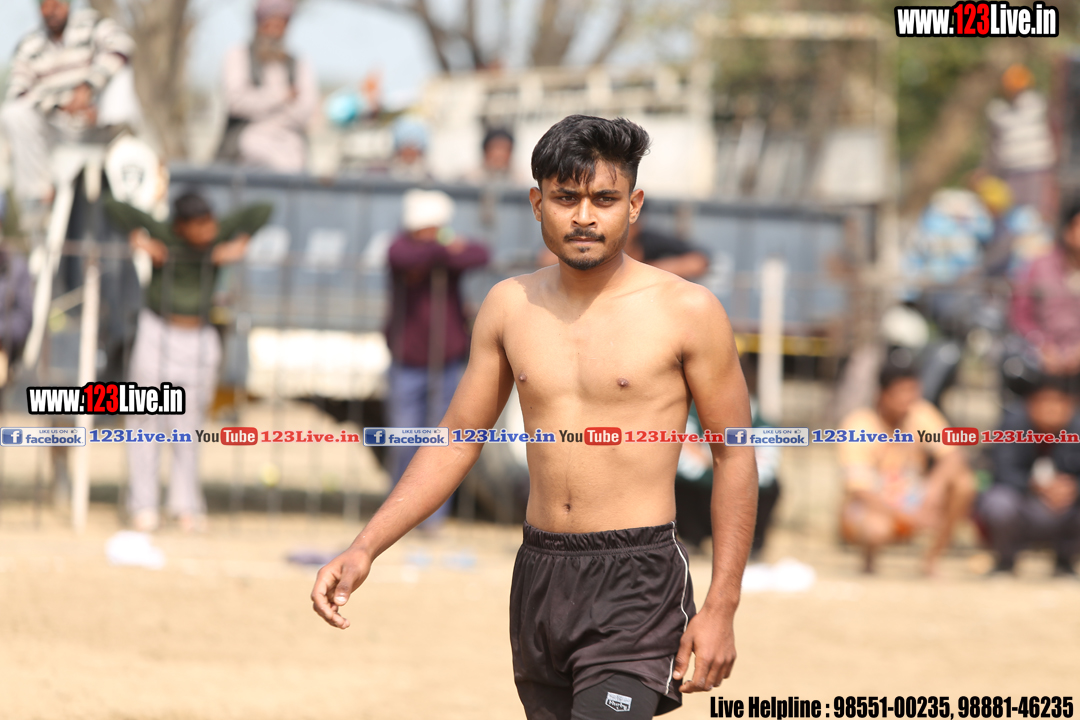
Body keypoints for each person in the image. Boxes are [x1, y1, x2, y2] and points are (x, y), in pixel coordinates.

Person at [313, 115, 758, 719]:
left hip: (637, 579)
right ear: (536, 202)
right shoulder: (509, 305)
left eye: (604, 199)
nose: (584, 216)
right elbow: (456, 441)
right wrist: (365, 547)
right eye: (566, 198)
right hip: (539, 574)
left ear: (634, 205)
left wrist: (722, 605)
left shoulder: (688, 310)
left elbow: (734, 454)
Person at [105, 190, 271, 532]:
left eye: (210, 223)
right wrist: (138, 237)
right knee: (145, 423)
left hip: (198, 337)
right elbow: (113, 206)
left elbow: (263, 208)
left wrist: (239, 243)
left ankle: (185, 506)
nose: (208, 230)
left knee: (188, 425)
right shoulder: (165, 236)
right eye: (199, 225)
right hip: (157, 333)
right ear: (180, 226)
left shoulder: (216, 239)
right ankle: (143, 505)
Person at [383, 189, 489, 531]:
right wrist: (443, 249)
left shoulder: (442, 250)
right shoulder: (402, 248)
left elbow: (480, 254)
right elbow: (404, 258)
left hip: (447, 361)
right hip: (407, 361)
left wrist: (441, 250)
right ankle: (397, 517)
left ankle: (431, 518)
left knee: (442, 442)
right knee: (403, 440)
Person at [838, 363, 976, 575]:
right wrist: (908, 517)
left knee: (964, 483)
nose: (908, 399)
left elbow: (954, 455)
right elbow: (860, 490)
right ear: (882, 395)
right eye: (901, 392)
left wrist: (934, 488)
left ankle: (931, 560)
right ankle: (869, 563)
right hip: (876, 501)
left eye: (912, 391)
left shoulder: (920, 413)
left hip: (913, 496)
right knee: (875, 528)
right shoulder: (858, 424)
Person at [1, 0, 136, 213]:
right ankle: (36, 198)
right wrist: (59, 106)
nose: (51, 12)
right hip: (55, 126)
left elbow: (123, 44)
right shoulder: (30, 44)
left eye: (57, 5)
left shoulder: (91, 25)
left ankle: (122, 132)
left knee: (122, 72)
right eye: (45, 6)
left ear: (68, 5)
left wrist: (89, 87)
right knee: (13, 114)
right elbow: (17, 92)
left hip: (97, 120)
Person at [977, 378, 1080, 577]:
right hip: (1024, 504)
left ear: (1070, 405)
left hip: (1067, 508)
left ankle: (1065, 561)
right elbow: (1001, 471)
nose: (1051, 409)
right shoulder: (1012, 425)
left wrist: (1073, 489)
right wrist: (1035, 486)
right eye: (1044, 401)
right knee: (998, 503)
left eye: (1058, 402)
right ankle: (1005, 561)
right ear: (1030, 404)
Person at [219, 0, 318, 172]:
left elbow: (306, 109)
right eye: (269, 24)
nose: (274, 31)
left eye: (280, 25)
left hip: (290, 141)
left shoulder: (299, 63)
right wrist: (282, 97)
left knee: (293, 161)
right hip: (248, 139)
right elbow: (236, 101)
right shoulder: (239, 54)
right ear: (259, 24)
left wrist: (268, 109)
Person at [538, 204, 710, 280]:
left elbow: (698, 261)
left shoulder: (651, 240)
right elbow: (545, 259)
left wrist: (646, 271)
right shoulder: (588, 239)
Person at [1009, 199, 1080, 381]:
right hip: (1040, 356)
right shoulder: (1040, 265)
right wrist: (1042, 345)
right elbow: (1020, 315)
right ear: (1068, 231)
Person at [985, 64, 1056, 226]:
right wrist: (990, 171)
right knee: (1011, 216)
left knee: (1037, 214)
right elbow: (993, 147)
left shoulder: (1039, 104)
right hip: (1010, 171)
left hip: (1038, 168)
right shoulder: (998, 112)